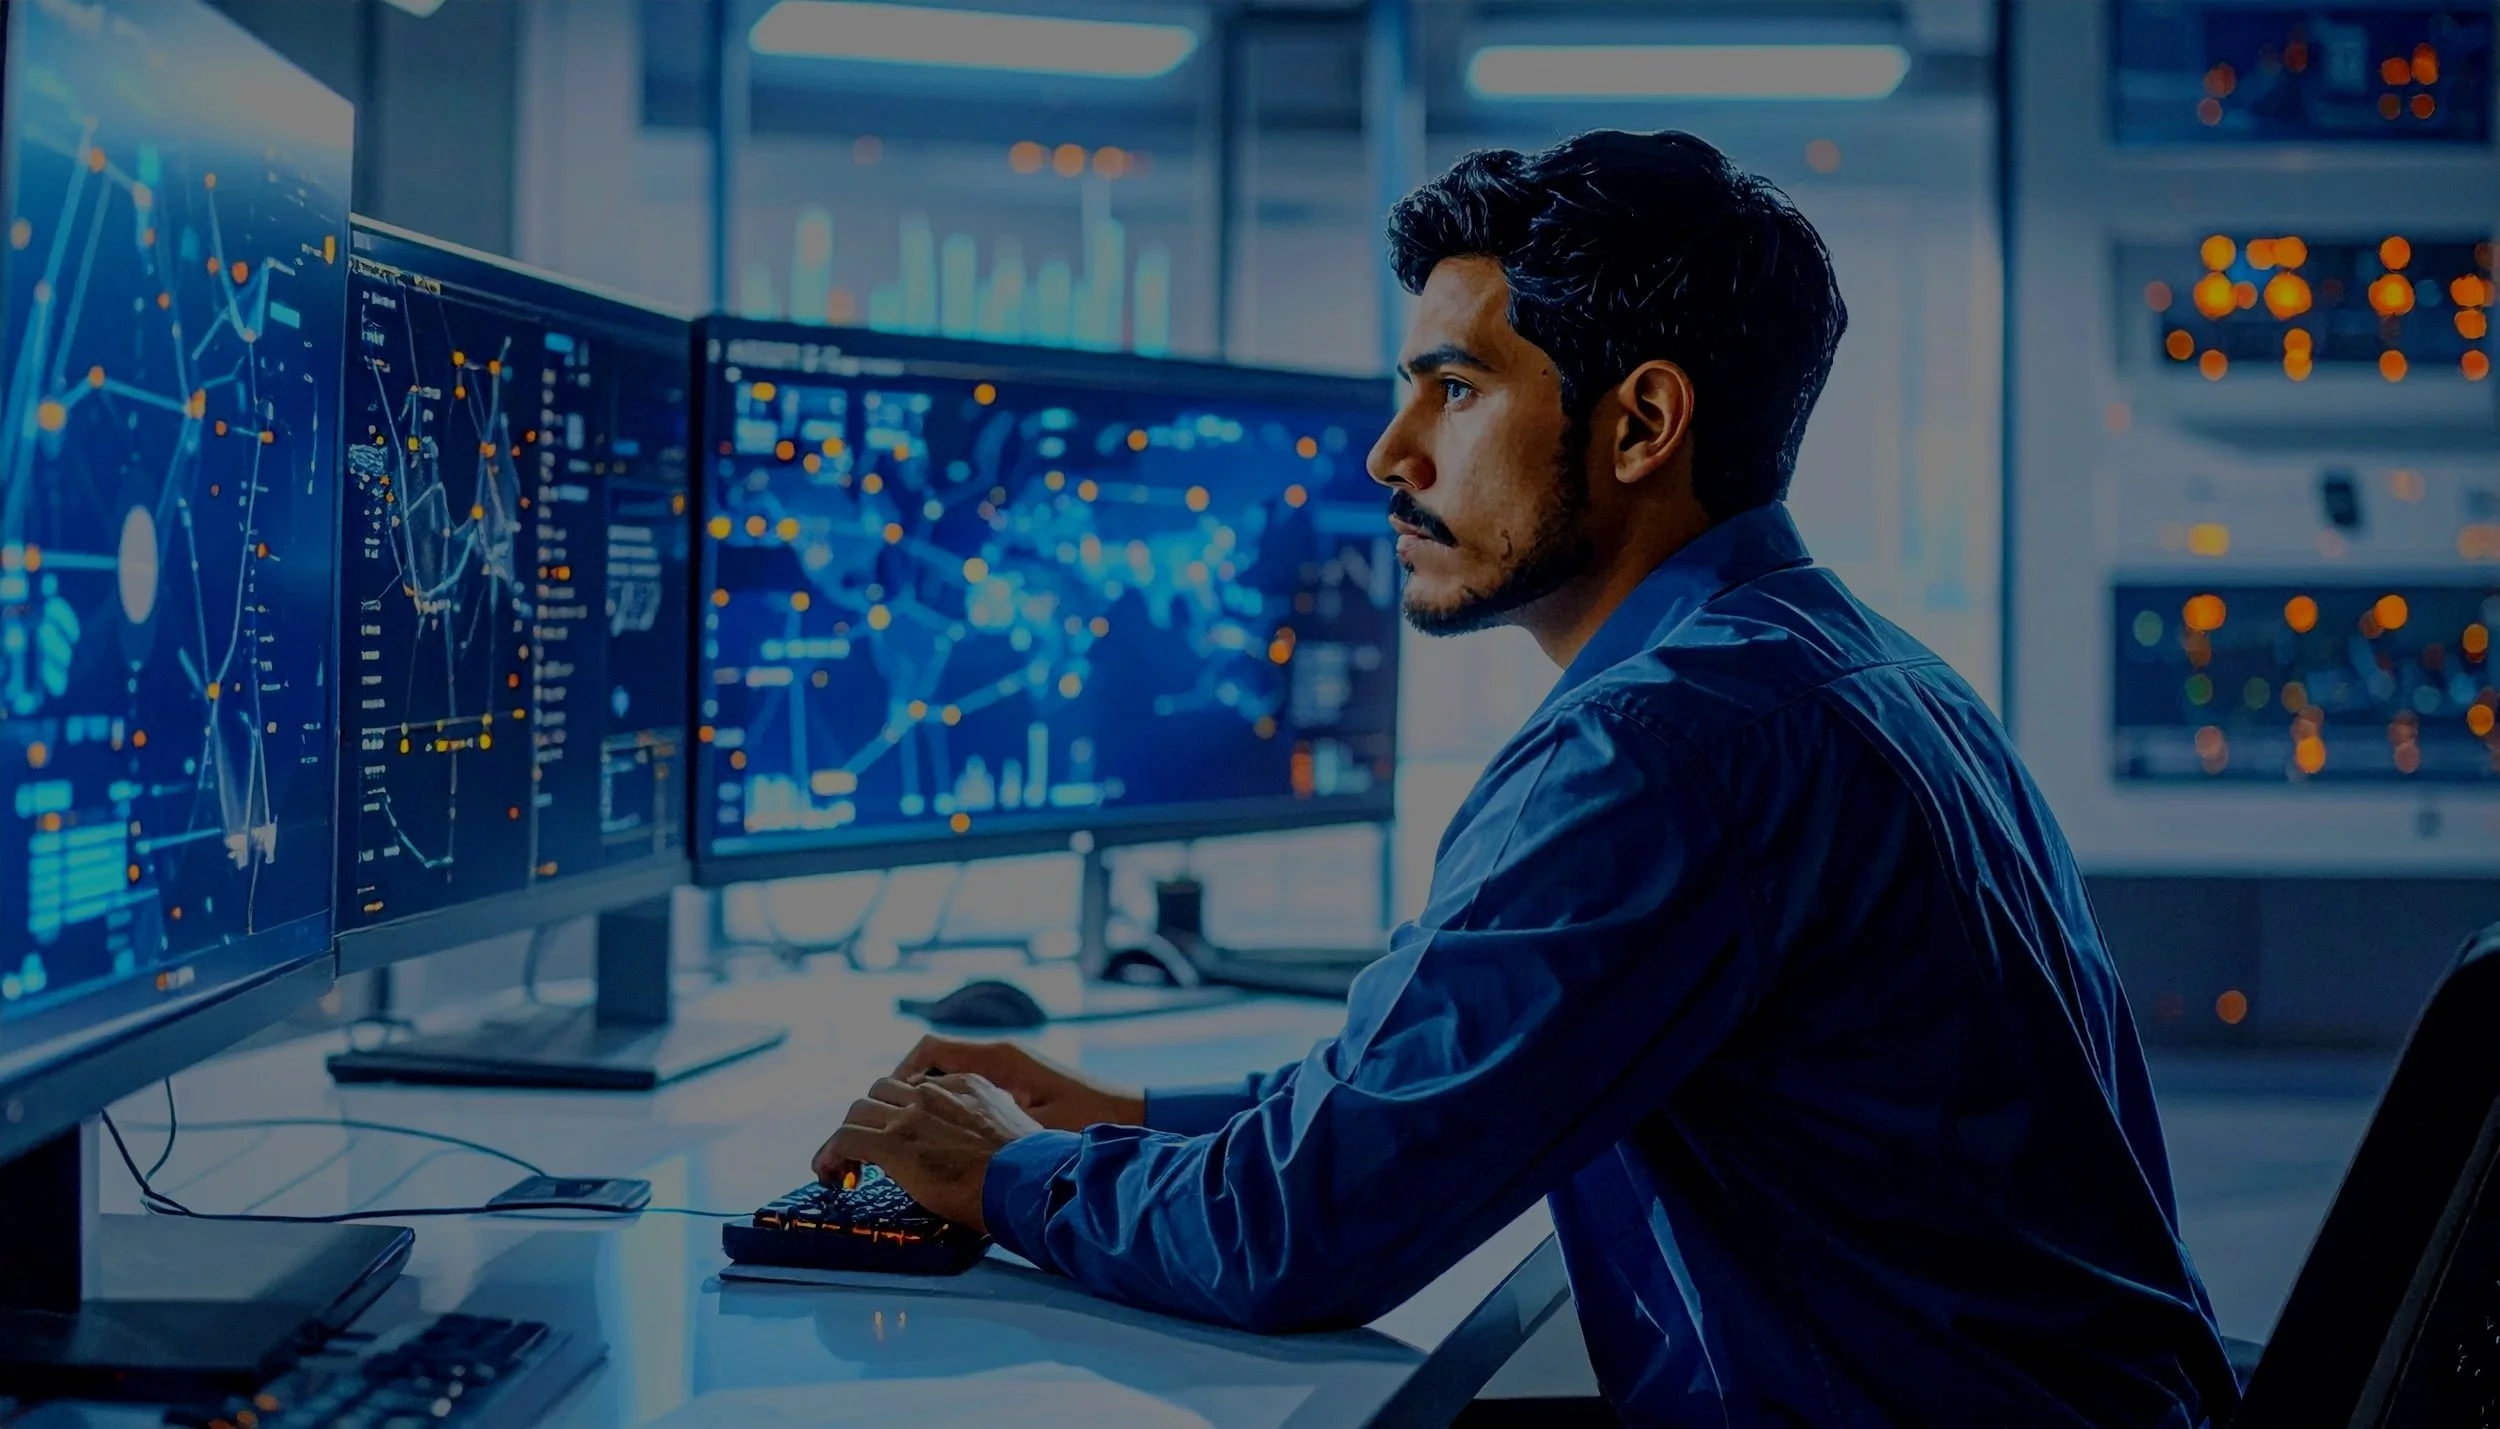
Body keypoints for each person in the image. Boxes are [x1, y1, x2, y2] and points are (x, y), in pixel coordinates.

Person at [813, 129, 2237, 1427]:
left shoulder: (1665, 744)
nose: (1391, 453)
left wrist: (1006, 1172)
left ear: (1639, 424)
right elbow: (1433, 1085)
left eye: (1456, 388)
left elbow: (1305, 1236)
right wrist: (1117, 1114)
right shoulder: (1863, 673)